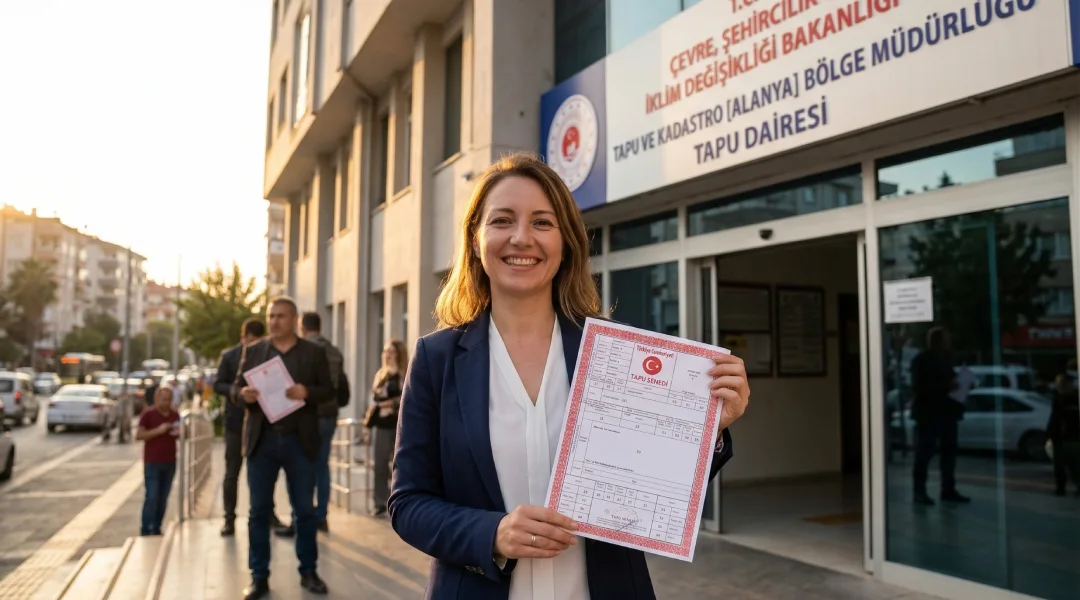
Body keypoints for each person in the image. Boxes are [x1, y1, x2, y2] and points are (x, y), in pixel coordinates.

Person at [387, 153, 750, 599]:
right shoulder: (436, 359)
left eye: (543, 222)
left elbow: (653, 489)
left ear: (566, 244)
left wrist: (704, 430)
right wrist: (492, 533)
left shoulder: (616, 354)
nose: (522, 238)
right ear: (476, 240)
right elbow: (408, 503)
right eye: (502, 220)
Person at [237, 297, 332, 599]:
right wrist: (243, 394)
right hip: (262, 440)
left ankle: (308, 571)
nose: (274, 321)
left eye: (280, 316)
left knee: (304, 511)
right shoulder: (254, 351)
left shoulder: (313, 352)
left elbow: (330, 391)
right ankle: (259, 577)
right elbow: (235, 388)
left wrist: (307, 392)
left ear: (294, 319)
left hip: (298, 441)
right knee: (258, 512)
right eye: (270, 316)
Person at [214, 318, 286, 537]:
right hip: (236, 423)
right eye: (250, 340)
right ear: (242, 337)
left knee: (264, 475)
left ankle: (269, 514)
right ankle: (229, 518)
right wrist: (239, 393)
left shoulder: (268, 353)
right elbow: (219, 384)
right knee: (232, 473)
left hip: (261, 424)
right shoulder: (229, 356)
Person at [300, 311, 351, 533]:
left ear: (303, 328)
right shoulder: (334, 351)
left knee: (303, 465)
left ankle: (304, 514)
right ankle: (321, 515)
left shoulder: (304, 350)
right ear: (320, 327)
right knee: (322, 464)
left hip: (308, 415)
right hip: (329, 414)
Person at [910, 327, 970, 506]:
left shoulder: (946, 359)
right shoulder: (921, 360)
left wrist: (960, 383)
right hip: (929, 413)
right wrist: (948, 386)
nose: (949, 343)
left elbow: (950, 380)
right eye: (946, 339)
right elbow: (920, 387)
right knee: (925, 452)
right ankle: (919, 491)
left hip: (947, 412)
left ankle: (948, 489)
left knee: (949, 452)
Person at [367, 339, 406, 516]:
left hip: (400, 424)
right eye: (385, 351)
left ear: (398, 353)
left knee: (401, 464)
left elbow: (406, 397)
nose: (387, 355)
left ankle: (401, 500)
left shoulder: (404, 373)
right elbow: (374, 399)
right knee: (380, 464)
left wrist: (389, 403)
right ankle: (379, 502)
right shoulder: (381, 374)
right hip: (382, 424)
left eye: (391, 351)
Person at [135, 387, 180, 536]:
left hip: (170, 461)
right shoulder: (148, 414)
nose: (166, 402)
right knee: (152, 496)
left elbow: (180, 433)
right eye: (163, 399)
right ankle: (145, 528)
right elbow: (139, 435)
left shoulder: (174, 415)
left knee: (163, 497)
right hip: (152, 462)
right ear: (156, 399)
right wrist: (158, 431)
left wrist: (178, 432)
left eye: (168, 399)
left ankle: (156, 527)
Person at [1047, 366, 1080, 496]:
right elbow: (1054, 418)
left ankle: (1063, 488)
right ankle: (1061, 488)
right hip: (1062, 437)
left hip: (1070, 437)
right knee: (1063, 466)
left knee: (1071, 465)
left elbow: (1055, 418)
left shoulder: (1065, 398)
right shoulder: (1058, 398)